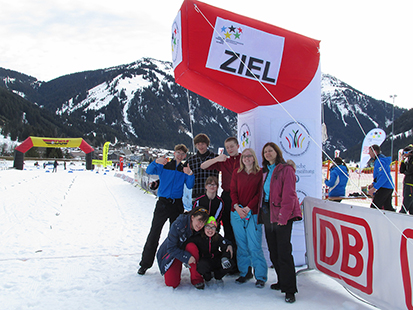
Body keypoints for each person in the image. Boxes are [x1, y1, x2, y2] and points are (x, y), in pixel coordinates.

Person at [138, 144, 195, 275]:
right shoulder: (165, 165)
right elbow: (150, 170)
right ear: (174, 153)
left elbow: (190, 184)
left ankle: (174, 264)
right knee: (154, 233)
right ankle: (145, 264)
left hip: (177, 204)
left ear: (185, 156)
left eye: (182, 154)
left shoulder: (184, 168)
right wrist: (156, 161)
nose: (180, 155)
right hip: (163, 203)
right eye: (178, 153)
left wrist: (190, 173)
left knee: (176, 234)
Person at [259, 142, 302, 303]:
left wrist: (283, 217)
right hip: (268, 215)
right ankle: (282, 281)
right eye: (265, 152)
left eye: (270, 151)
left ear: (277, 152)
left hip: (283, 215)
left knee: (284, 252)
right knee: (273, 251)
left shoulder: (286, 169)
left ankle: (290, 290)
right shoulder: (265, 171)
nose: (268, 154)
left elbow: (290, 196)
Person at [230, 148, 267, 288]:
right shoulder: (237, 173)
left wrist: (248, 208)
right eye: (244, 156)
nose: (246, 158)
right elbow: (233, 191)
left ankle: (261, 276)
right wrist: (237, 207)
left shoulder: (260, 173)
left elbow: (259, 194)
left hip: (253, 213)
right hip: (237, 213)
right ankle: (245, 272)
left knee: (254, 246)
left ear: (254, 158)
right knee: (242, 245)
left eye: (249, 156)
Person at [157, 206, 210, 289]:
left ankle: (196, 279)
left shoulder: (201, 229)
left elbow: (214, 236)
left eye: (203, 222)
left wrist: (227, 245)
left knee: (192, 247)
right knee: (172, 283)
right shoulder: (179, 224)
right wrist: (186, 257)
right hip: (172, 253)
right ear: (192, 217)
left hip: (188, 250)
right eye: (199, 220)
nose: (200, 225)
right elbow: (171, 248)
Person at [188, 216, 233, 285]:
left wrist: (225, 257)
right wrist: (186, 257)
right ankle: (207, 276)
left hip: (215, 259)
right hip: (205, 260)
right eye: (208, 227)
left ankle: (218, 276)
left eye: (213, 227)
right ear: (204, 227)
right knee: (201, 266)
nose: (210, 230)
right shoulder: (198, 237)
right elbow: (187, 244)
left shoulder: (217, 237)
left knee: (230, 263)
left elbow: (225, 246)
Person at [186, 133, 218, 201]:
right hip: (196, 195)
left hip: (212, 195)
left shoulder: (215, 157)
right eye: (198, 144)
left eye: (203, 143)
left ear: (207, 144)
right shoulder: (191, 160)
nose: (200, 146)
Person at [367, 144, 395, 211]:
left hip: (385, 187)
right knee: (387, 207)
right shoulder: (379, 160)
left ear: (374, 152)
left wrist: (374, 188)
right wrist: (374, 183)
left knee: (375, 207)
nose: (369, 153)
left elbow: (383, 176)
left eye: (370, 151)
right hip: (388, 186)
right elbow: (379, 176)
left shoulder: (380, 161)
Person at [400, 144, 413, 214]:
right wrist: (402, 161)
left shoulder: (412, 159)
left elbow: (409, 171)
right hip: (407, 182)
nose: (404, 154)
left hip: (410, 184)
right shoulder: (408, 160)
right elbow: (402, 170)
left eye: (405, 153)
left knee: (407, 202)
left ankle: (401, 215)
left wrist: (406, 172)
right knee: (409, 203)